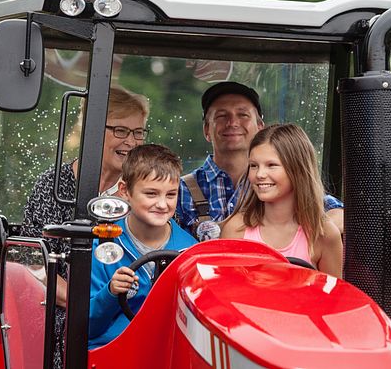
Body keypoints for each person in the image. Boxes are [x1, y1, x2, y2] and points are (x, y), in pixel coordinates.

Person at [20, 85, 149, 368]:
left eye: (138, 132)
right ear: (91, 130)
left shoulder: (141, 193)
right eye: (120, 131)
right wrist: (90, 304)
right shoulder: (53, 184)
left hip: (128, 309)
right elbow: (33, 264)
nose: (131, 141)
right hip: (64, 307)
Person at [176, 81, 344, 237]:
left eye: (243, 115)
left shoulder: (277, 182)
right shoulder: (181, 190)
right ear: (206, 130)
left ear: (260, 127)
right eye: (221, 116)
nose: (232, 122)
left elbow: (342, 215)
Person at [88, 144, 197, 349]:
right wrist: (111, 292)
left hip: (167, 352)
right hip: (112, 350)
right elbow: (88, 326)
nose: (163, 204)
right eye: (151, 194)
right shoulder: (104, 246)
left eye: (171, 195)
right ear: (124, 191)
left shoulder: (189, 251)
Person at [220, 124, 343, 277]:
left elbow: (334, 297)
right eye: (253, 165)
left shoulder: (324, 235)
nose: (260, 174)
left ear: (297, 169)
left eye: (271, 165)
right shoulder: (236, 229)